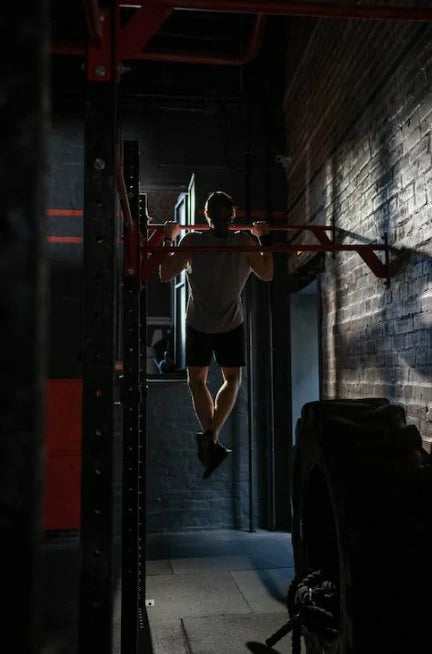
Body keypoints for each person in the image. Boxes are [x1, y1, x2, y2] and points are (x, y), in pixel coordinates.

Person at [159, 191, 273, 479]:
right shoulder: (245, 242)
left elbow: (164, 273)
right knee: (232, 380)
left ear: (205, 215)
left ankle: (210, 436)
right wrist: (262, 237)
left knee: (196, 381)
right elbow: (268, 273)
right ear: (232, 216)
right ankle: (211, 434)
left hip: (198, 322)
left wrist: (169, 237)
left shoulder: (192, 241)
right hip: (230, 324)